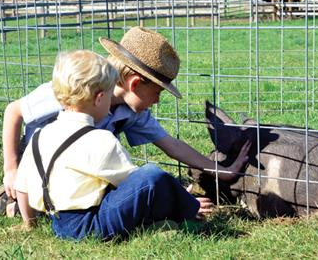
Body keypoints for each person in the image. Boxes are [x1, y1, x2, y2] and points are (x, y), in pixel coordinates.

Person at [0, 26, 249, 209]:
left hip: (74, 184)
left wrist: (221, 172)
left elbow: (171, 144)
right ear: (135, 83)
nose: (157, 100)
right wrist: (11, 169)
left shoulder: (130, 111)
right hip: (35, 172)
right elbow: (14, 111)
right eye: (157, 92)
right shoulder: (73, 89)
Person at [14, 49, 210, 240]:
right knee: (152, 175)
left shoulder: (39, 136)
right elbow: (137, 186)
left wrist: (29, 224)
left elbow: (22, 186)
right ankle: (189, 213)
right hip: (93, 225)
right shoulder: (100, 139)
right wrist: (181, 200)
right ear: (100, 99)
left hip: (58, 224)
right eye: (109, 95)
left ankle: (157, 224)